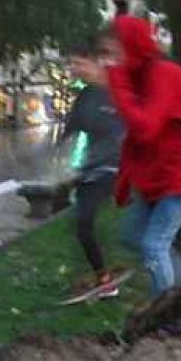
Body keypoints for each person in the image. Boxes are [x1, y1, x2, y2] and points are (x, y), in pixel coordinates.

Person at [105, 14, 181, 297]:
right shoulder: (138, 78)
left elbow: (145, 129)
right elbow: (134, 140)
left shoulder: (164, 74)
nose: (111, 59)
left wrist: (117, 81)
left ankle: (164, 314)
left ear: (131, 45)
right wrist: (122, 185)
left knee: (154, 245)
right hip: (158, 175)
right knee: (134, 236)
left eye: (115, 50)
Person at [58, 33, 127, 305]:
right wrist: (55, 159)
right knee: (80, 225)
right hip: (89, 170)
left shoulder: (120, 93)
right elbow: (70, 132)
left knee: (88, 220)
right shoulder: (85, 97)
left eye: (79, 63)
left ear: (97, 62)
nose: (75, 69)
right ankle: (97, 274)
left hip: (116, 169)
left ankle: (105, 278)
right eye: (72, 65)